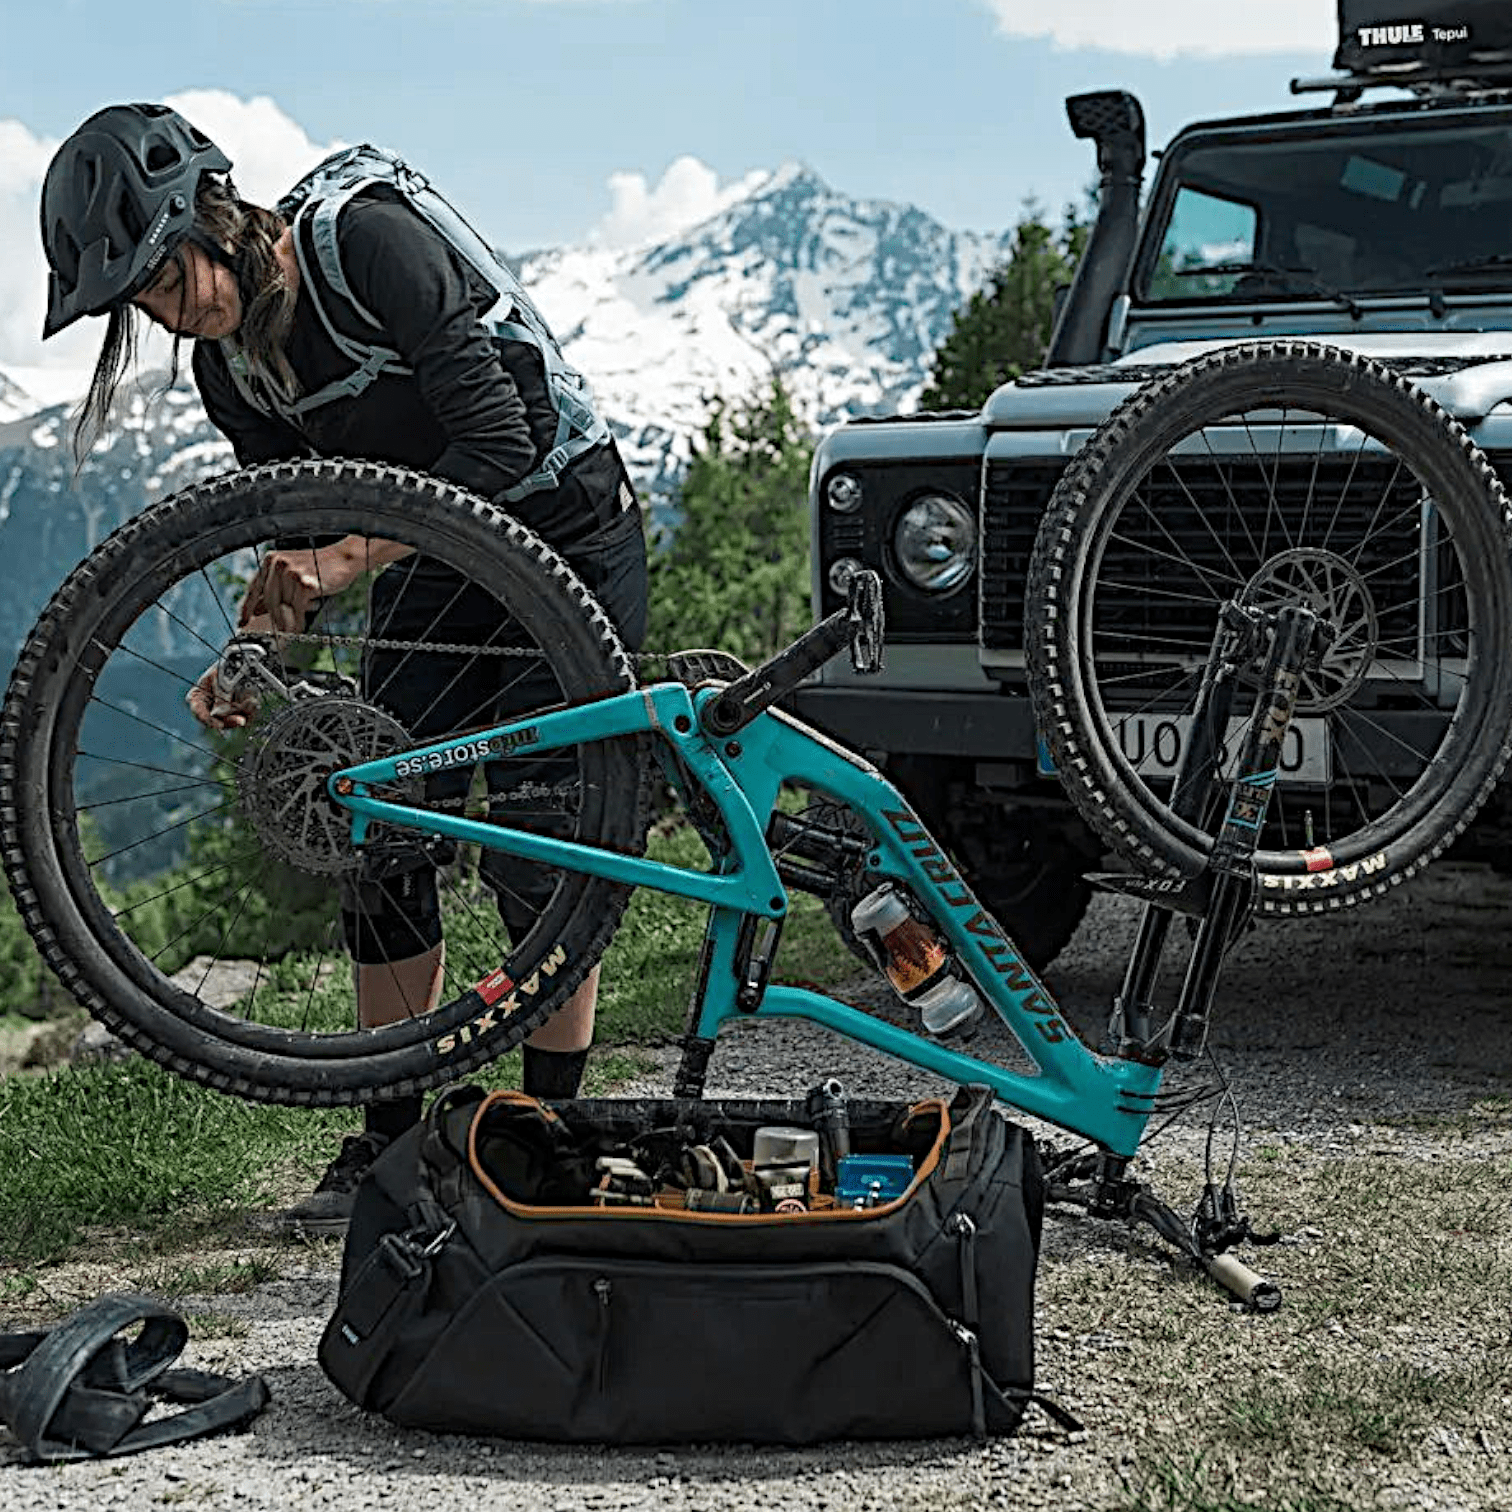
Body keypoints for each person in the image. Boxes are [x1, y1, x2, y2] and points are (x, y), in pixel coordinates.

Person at [39, 102, 648, 1232]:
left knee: (546, 840)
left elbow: (500, 444)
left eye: (166, 279)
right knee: (379, 819)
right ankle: (392, 1131)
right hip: (431, 557)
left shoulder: (367, 244)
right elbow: (301, 529)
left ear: (214, 217)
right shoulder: (232, 371)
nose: (169, 313)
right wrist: (256, 647)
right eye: (143, 305)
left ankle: (548, 1130)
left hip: (562, 531)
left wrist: (350, 557)